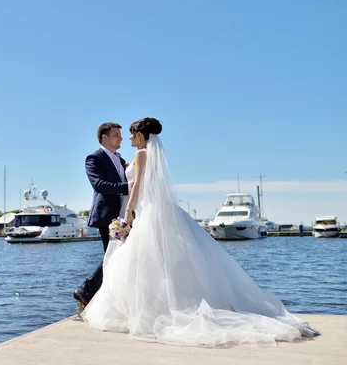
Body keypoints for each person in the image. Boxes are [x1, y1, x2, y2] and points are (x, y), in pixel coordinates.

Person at [81, 117, 318, 347]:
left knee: (136, 260)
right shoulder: (139, 155)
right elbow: (120, 183)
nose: (128, 138)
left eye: (131, 134)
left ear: (141, 135)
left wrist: (129, 212)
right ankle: (136, 300)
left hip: (142, 210)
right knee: (147, 260)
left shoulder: (140, 154)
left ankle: (136, 305)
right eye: (121, 135)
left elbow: (137, 186)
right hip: (148, 210)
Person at [73, 122, 131, 306]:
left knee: (117, 255)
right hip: (106, 215)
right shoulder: (94, 158)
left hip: (122, 215)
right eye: (116, 135)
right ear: (104, 137)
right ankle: (86, 290)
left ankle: (98, 294)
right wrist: (130, 185)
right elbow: (99, 185)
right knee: (113, 255)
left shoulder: (121, 160)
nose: (121, 138)